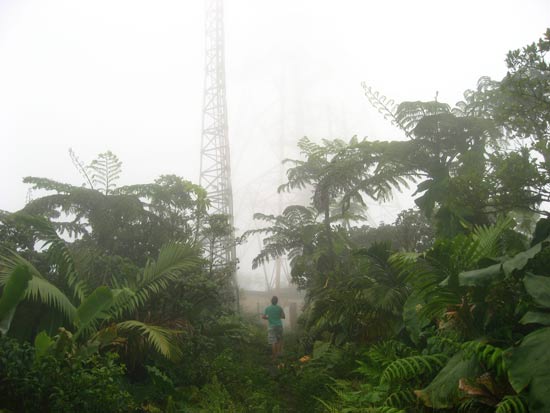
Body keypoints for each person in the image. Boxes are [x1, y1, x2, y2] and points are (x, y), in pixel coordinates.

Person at [262, 295, 285, 360]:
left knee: (273, 342)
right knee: (279, 340)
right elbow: (283, 316)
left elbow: (263, 317)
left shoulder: (267, 308)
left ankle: (274, 357)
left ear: (271, 301)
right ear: (277, 302)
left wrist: (269, 318)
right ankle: (278, 354)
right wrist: (277, 317)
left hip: (271, 327)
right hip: (279, 326)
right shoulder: (279, 308)